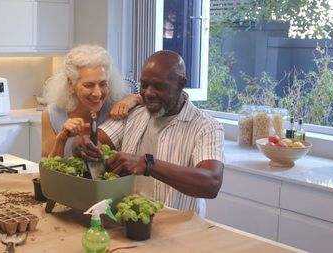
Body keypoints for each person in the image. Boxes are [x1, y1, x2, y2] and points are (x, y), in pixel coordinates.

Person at [73, 50, 224, 216]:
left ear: (181, 84)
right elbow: (89, 141)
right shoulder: (132, 114)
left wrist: (148, 164)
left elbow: (211, 183)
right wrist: (83, 145)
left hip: (181, 231)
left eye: (159, 86)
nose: (149, 93)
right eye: (144, 85)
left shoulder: (206, 127)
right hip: (129, 224)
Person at [42, 44, 141, 157]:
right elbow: (48, 168)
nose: (97, 93)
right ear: (70, 84)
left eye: (103, 84)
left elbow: (153, 102)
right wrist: (61, 139)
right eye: (88, 85)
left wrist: (132, 98)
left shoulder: (115, 106)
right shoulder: (52, 114)